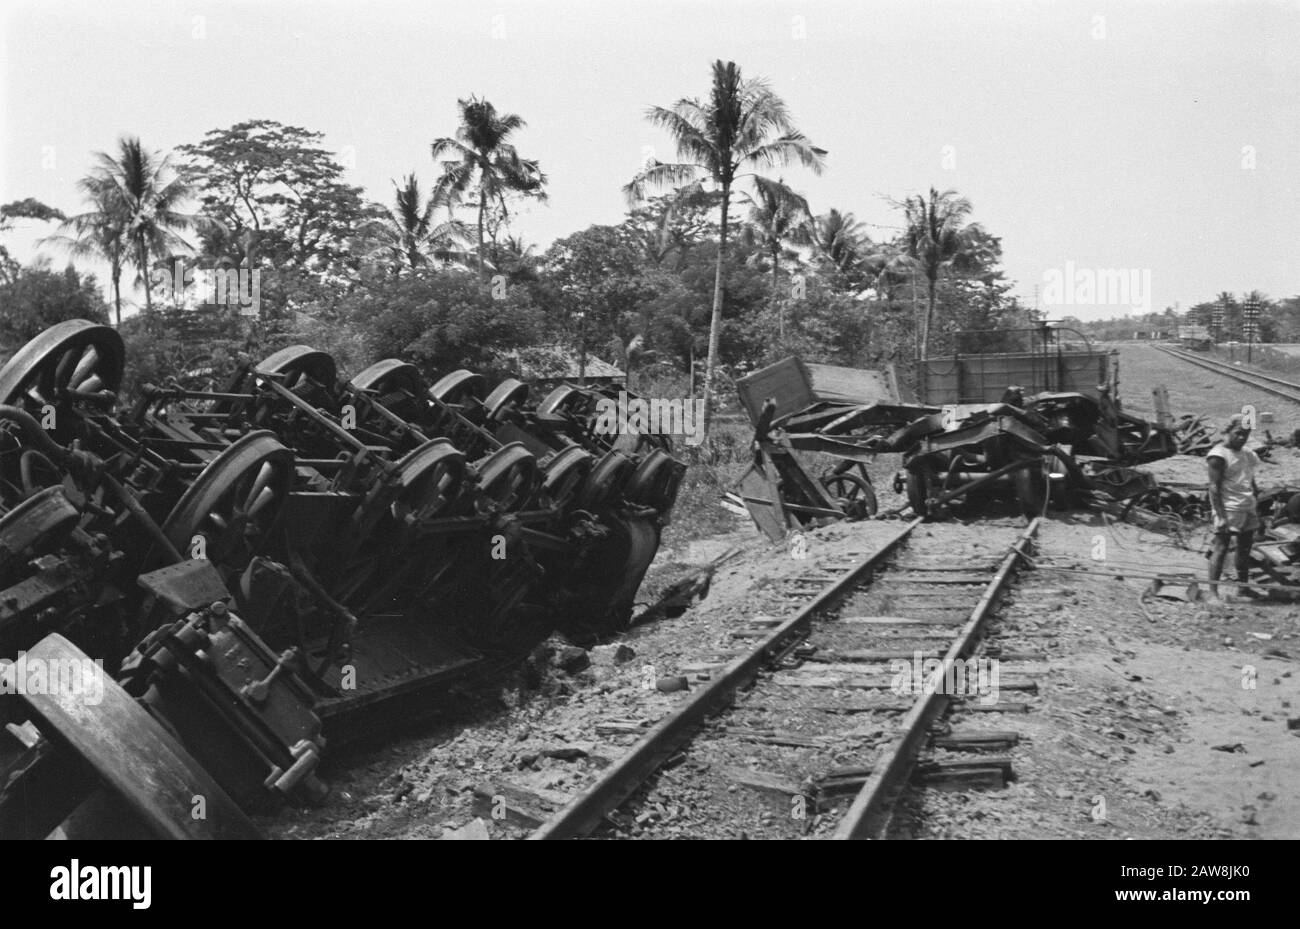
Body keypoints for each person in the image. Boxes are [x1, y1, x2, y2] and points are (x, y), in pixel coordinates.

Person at [1206, 414, 1262, 601]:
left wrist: (1256, 502)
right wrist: (1220, 516)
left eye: (1246, 434)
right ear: (1227, 431)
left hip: (1247, 506)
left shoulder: (1247, 454)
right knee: (1221, 548)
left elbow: (1250, 478)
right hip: (1229, 508)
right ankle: (1213, 593)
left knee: (1244, 549)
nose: (1242, 438)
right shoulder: (1218, 455)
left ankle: (1243, 588)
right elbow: (1214, 488)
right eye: (1238, 433)